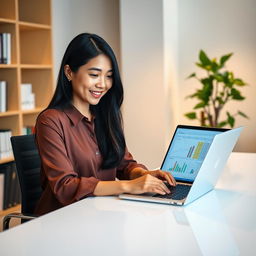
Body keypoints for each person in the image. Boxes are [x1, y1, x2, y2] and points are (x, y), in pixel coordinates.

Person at [34, 33, 176, 215]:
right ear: (69, 72)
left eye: (108, 76)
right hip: (63, 219)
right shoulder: (51, 121)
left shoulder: (104, 116)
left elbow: (123, 165)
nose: (103, 84)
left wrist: (142, 175)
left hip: (102, 214)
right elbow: (65, 186)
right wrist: (128, 186)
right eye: (94, 74)